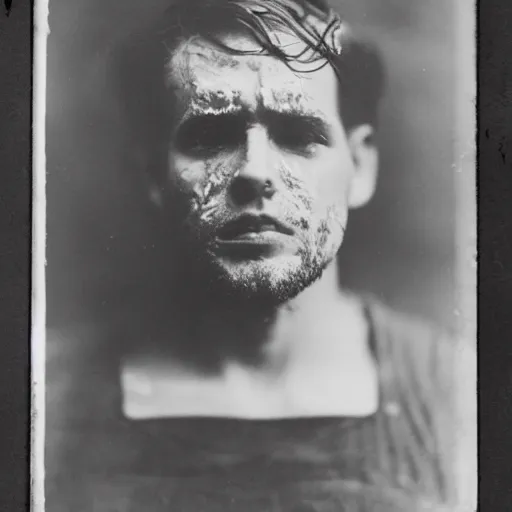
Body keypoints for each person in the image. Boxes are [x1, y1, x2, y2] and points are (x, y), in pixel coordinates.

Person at [45, 0, 476, 510]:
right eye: (209, 137)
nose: (255, 172)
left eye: (298, 136)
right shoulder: (45, 400)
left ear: (359, 165)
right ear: (152, 174)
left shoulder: (461, 401)